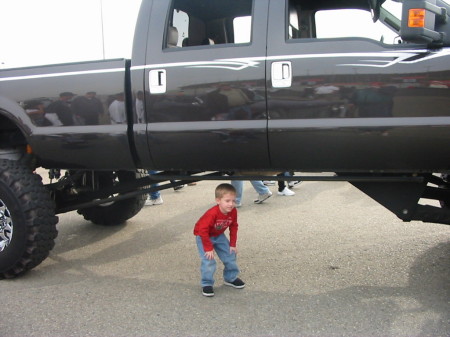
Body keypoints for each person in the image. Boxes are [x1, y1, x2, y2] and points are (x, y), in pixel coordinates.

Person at [193, 183, 245, 297]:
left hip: (218, 235)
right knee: (209, 260)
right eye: (227, 201)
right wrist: (208, 248)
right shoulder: (212, 214)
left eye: (233, 200)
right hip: (203, 236)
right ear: (218, 200)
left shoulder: (233, 211)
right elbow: (202, 230)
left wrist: (232, 244)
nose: (231, 204)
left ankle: (230, 278)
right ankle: (207, 283)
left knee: (230, 254)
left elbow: (234, 226)